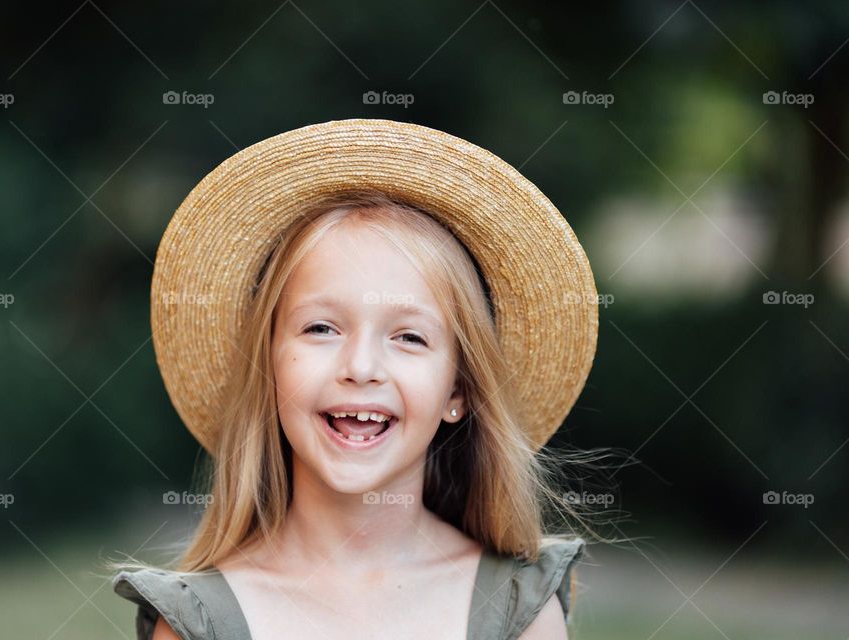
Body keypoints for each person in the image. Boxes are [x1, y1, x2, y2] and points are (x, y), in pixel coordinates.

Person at [110, 119, 600, 639]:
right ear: (270, 367)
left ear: (457, 392)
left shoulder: (516, 607)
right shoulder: (198, 621)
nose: (361, 368)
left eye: (409, 337)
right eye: (321, 327)